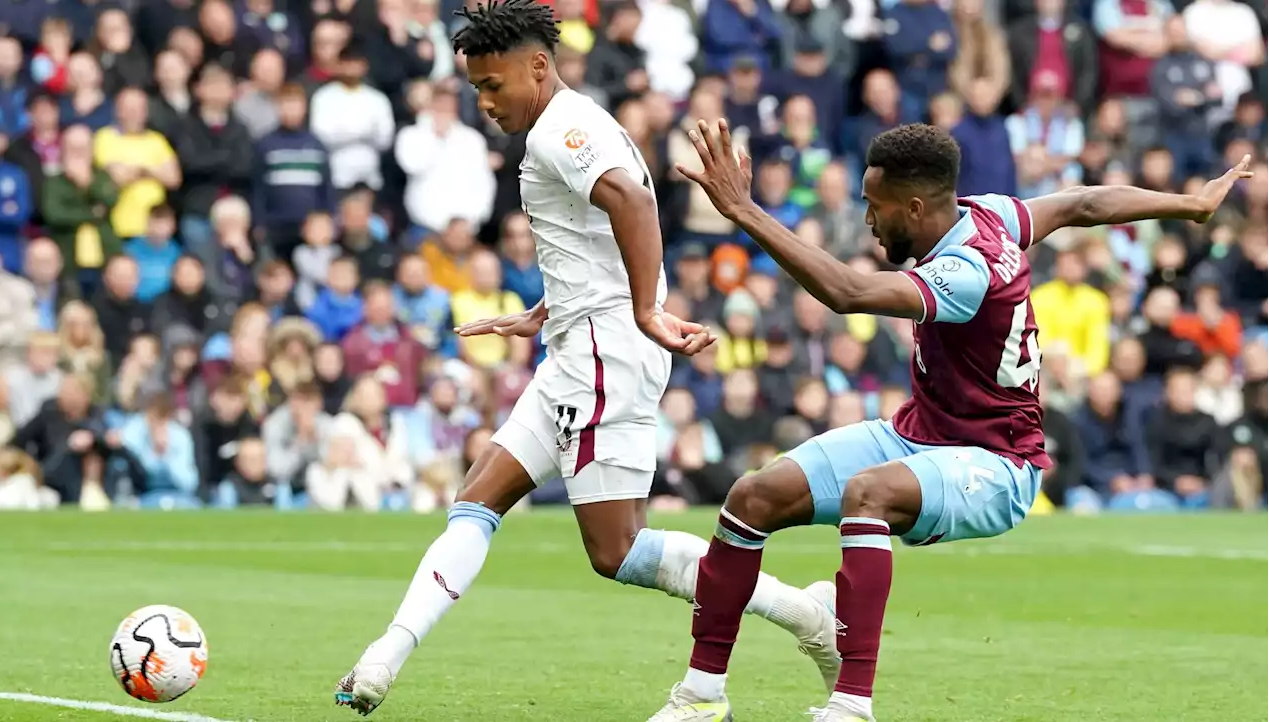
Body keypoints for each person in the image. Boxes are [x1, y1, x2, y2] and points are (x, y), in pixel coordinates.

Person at [648, 119, 1252, 722]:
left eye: (873, 206)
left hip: (996, 463)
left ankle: (852, 706)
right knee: (751, 497)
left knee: (868, 494)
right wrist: (1191, 204)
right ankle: (702, 698)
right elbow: (1084, 202)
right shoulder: (989, 214)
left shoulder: (968, 270)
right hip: (919, 433)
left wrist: (745, 211)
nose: (867, 219)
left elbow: (849, 294)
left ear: (913, 208)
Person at [333, 1, 838, 716]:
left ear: (538, 66)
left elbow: (632, 201)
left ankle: (809, 616)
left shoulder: (561, 130)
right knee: (478, 499)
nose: (484, 102)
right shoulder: (571, 122)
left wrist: (641, 310)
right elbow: (595, 231)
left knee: (618, 551)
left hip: (604, 351)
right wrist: (546, 309)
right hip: (578, 341)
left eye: (493, 85)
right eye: (475, 88)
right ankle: (384, 657)